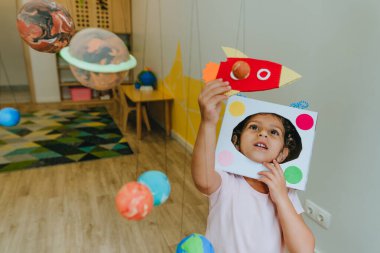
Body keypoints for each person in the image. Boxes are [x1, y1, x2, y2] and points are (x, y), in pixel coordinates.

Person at [191, 79, 315, 253]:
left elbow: (304, 249)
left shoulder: (286, 192)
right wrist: (208, 122)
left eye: (274, 132)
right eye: (254, 127)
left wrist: (281, 197)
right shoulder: (227, 179)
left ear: (282, 154)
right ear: (237, 142)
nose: (262, 133)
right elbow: (203, 180)